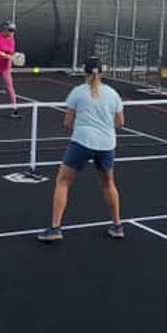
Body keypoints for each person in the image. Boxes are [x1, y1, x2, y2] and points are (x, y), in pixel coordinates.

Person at [37, 57, 125, 242]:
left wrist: (83, 126)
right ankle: (117, 226)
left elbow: (67, 122)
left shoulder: (77, 92)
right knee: (109, 184)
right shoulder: (113, 94)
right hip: (107, 145)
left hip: (82, 142)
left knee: (63, 182)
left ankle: (55, 228)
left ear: (84, 72)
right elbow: (120, 122)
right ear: (101, 72)